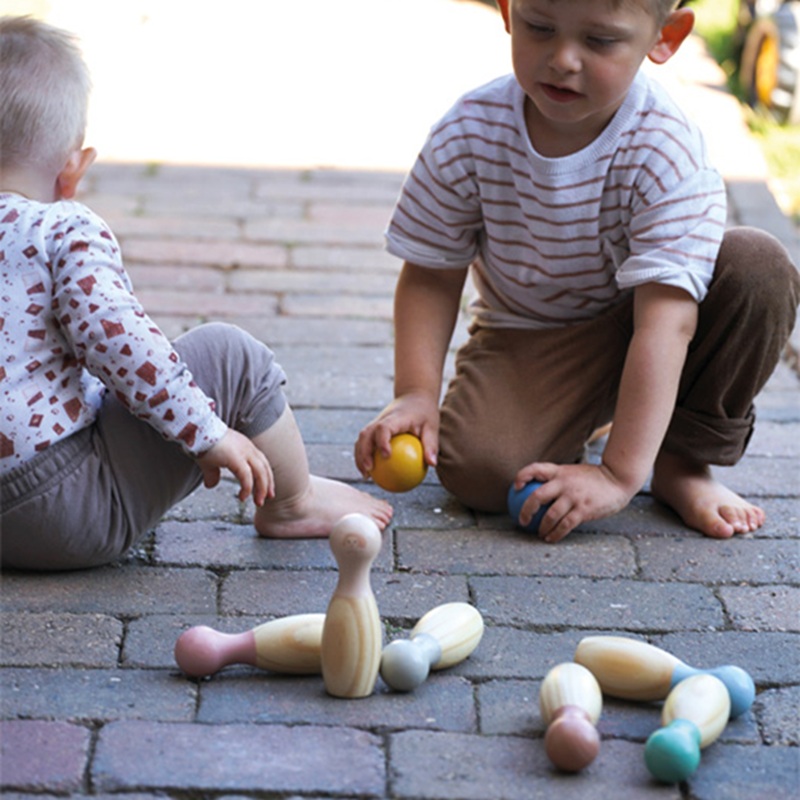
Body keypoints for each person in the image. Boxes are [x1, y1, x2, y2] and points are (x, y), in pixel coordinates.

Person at [355, 0, 800, 542]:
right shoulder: (470, 132)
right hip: (530, 334)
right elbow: (430, 274)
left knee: (757, 266)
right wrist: (416, 393)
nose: (563, 59)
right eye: (540, 27)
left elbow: (668, 324)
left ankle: (681, 462)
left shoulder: (664, 148)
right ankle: (591, 413)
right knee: (478, 471)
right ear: (507, 9)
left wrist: (617, 476)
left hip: (654, 321)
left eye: (600, 41)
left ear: (666, 37)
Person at [0, 16, 391, 571]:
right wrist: (205, 433)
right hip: (59, 512)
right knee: (229, 356)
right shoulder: (60, 228)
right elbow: (115, 338)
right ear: (72, 170)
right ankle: (293, 501)